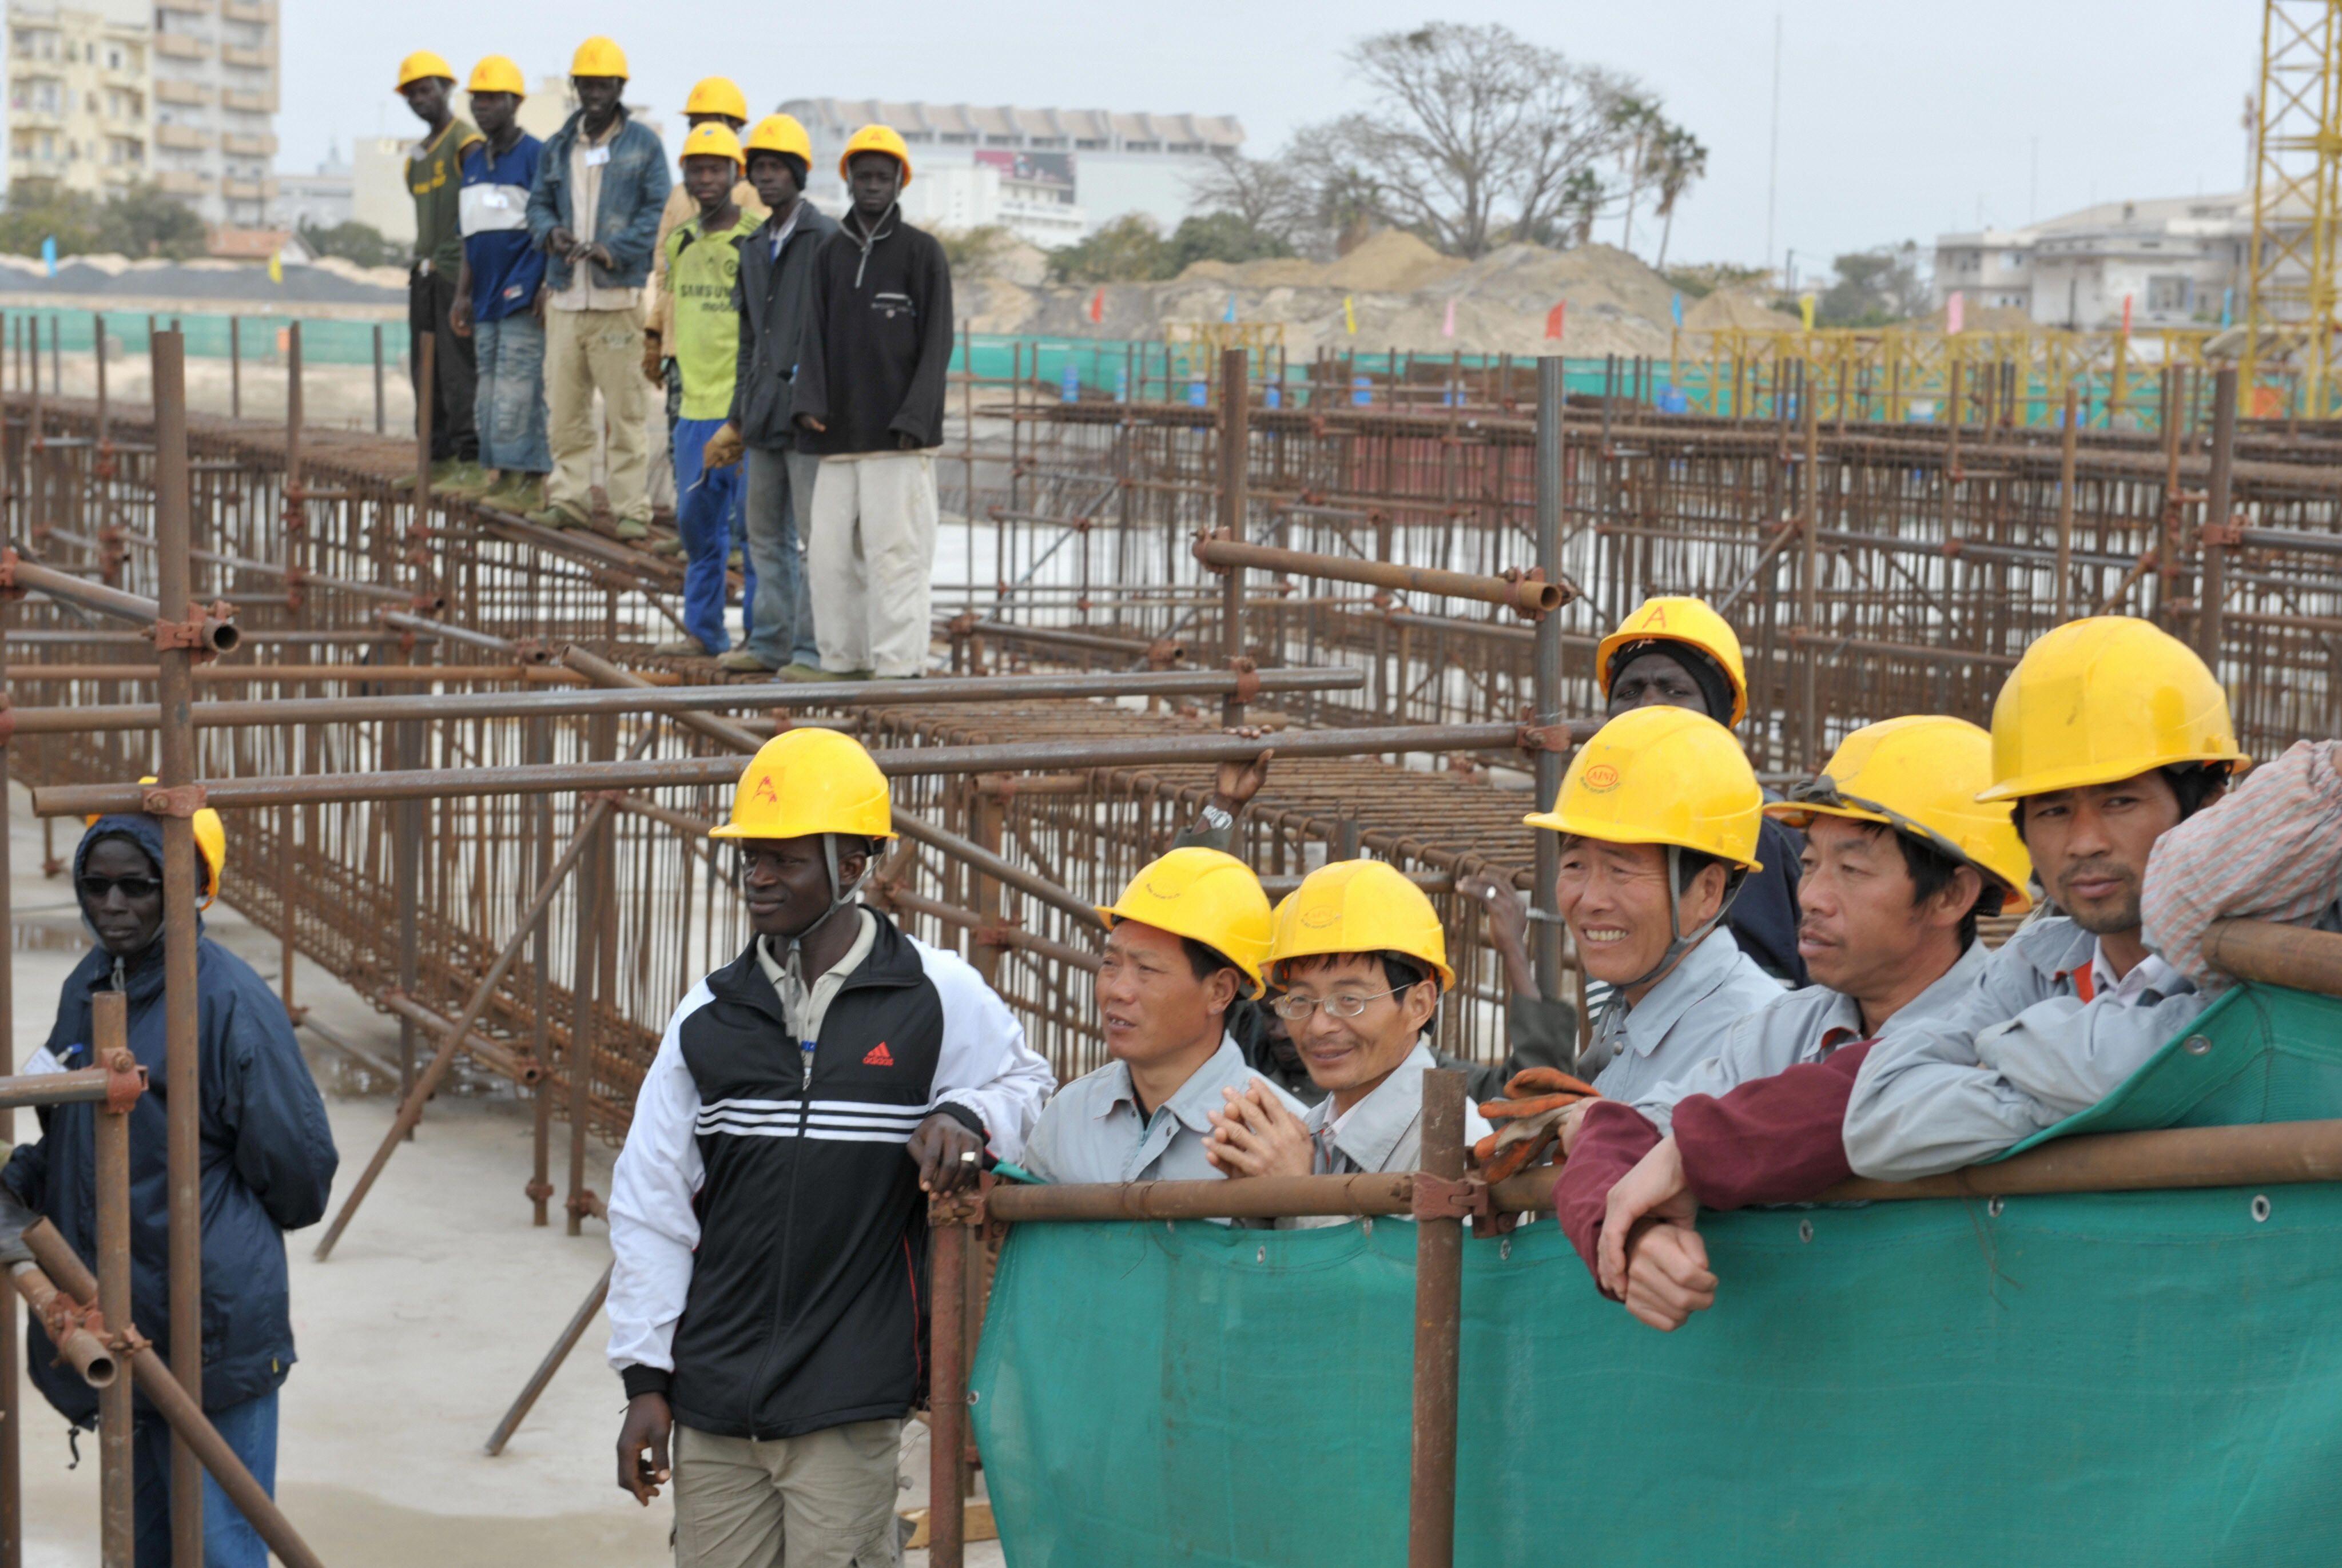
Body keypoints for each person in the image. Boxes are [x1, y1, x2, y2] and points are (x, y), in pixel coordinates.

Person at [606, 728, 1052, 1567]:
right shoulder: (709, 1014)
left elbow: (1029, 1083)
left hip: (847, 1398)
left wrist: (967, 1114)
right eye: (751, 858)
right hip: (713, 1398)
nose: (759, 878)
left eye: (784, 859)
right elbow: (650, 1206)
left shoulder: (934, 991)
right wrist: (645, 1380)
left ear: (853, 865)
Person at [1550, 715, 2031, 1331]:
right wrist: (1628, 1237)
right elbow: (1624, 1133)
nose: (1812, 897)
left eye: (1852, 871)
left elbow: (1882, 1084)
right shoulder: (1784, 1032)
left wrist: (1691, 1155)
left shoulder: (2013, 1030)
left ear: (1951, 896)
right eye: (1811, 864)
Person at [2, 807, 337, 1565]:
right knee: (148, 1543)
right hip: (121, 1311)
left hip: (208, 1323)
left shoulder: (227, 1002)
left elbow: (299, 1178)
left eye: (136, 886)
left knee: (217, 1543)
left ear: (187, 888)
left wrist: (201, 1211)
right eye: (96, 885)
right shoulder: (88, 984)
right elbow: (62, 1131)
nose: (112, 905)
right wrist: (19, 1187)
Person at [1842, 617, 2245, 1180]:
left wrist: (2000, 1053)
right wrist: (2072, 1092)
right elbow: (1876, 1125)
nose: (2083, 843)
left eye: (2120, 802)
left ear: (2207, 808)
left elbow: (2206, 1059)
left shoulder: (2257, 959)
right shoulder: (2039, 959)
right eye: (2053, 811)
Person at [1521, 705, 1784, 1108]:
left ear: (1707, 891)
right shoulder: (1629, 1004)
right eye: (1575, 865)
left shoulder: (1753, 1048)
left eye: (1620, 870)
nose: (1590, 900)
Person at [1202, 859, 1492, 1224]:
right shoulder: (1311, 1131)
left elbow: (1417, 1282)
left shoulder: (1453, 1142)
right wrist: (1259, 1207)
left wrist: (1297, 1195)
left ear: (1420, 1005)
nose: (1319, 1026)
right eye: (1301, 1001)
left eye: (1349, 1001)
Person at [1023, 847, 1304, 1185]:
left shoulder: (1279, 1138)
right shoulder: (1067, 1118)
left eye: (1147, 969)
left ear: (1220, 992)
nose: (1117, 990)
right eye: (1110, 964)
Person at [792, 124, 953, 681]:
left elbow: (938, 345)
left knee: (896, 558)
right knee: (830, 560)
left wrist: (915, 418)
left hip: (899, 443)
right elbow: (811, 332)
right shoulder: (829, 255)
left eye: (884, 177)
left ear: (900, 182)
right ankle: (842, 660)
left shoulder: (922, 255)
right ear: (849, 180)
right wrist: (808, 402)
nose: (873, 186)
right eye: (864, 176)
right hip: (837, 438)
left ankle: (897, 665)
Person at [1594, 596, 1808, 985]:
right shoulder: (1594, 823)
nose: (1648, 708)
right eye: (1629, 692)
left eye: (1674, 691)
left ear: (1719, 714)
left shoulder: (1773, 838)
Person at [703, 114, 834, 677]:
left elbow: (835, 335)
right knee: (762, 537)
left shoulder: (826, 239)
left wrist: (825, 404)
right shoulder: (754, 245)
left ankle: (810, 649)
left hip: (808, 418)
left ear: (800, 173)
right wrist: (737, 417)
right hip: (761, 416)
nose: (767, 178)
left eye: (778, 167)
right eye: (759, 169)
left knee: (814, 538)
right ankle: (770, 643)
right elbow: (748, 340)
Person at [523, 36, 670, 537]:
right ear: (576, 87)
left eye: (602, 85)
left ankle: (630, 511)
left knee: (626, 413)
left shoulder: (644, 146)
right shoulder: (559, 146)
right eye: (585, 84)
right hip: (565, 297)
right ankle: (569, 500)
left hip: (617, 301)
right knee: (565, 413)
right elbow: (537, 205)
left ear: (619, 88)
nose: (593, 93)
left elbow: (657, 214)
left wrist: (614, 249)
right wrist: (551, 234)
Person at [651, 122, 762, 659]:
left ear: (735, 173)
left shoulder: (757, 237)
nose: (705, 179)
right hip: (692, 409)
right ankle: (704, 632)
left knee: (758, 533)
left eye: (715, 169)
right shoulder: (680, 241)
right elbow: (672, 310)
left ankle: (764, 640)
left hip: (743, 412)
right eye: (696, 170)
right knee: (699, 532)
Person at [642, 77, 764, 551]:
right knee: (682, 442)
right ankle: (692, 530)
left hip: (730, 347)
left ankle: (734, 537)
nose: (705, 130)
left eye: (715, 122)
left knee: (733, 446)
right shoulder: (679, 197)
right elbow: (664, 268)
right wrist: (655, 332)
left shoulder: (749, 196)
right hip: (683, 342)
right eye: (697, 123)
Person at [451, 55, 550, 514]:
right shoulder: (472, 162)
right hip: (484, 298)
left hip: (522, 293)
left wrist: (546, 283)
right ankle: (503, 476)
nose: (484, 106)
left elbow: (551, 225)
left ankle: (529, 481)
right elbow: (471, 236)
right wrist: (462, 294)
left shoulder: (537, 157)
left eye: (494, 98)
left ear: (516, 103)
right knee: (489, 393)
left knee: (520, 389)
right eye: (478, 99)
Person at [393, 50, 483, 494]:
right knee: (424, 371)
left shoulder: (465, 142)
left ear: (446, 89)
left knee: (457, 370)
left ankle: (469, 460)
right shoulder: (417, 157)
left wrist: (468, 279)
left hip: (455, 272)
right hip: (424, 274)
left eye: (426, 90)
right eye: (411, 93)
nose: (419, 99)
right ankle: (436, 461)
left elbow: (479, 212)